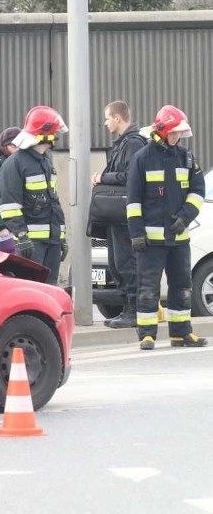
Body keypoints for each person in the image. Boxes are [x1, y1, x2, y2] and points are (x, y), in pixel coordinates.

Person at [127, 105, 207, 350]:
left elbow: (198, 191)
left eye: (180, 134)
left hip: (178, 237)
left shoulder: (186, 157)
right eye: (174, 133)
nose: (177, 137)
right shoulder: (142, 159)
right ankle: (147, 335)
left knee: (182, 286)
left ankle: (182, 333)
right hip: (151, 241)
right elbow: (133, 201)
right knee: (148, 287)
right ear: (162, 131)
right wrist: (137, 234)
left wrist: (185, 216)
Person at [91, 101, 147, 329]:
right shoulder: (123, 143)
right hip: (117, 215)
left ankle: (134, 312)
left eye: (107, 118)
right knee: (115, 264)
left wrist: (103, 178)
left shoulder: (133, 143)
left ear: (117, 118)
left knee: (125, 263)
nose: (105, 123)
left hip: (126, 214)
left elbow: (129, 177)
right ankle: (126, 309)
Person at [0, 106, 68, 285]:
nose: (56, 136)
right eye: (54, 131)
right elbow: (9, 206)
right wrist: (21, 236)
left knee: (50, 291)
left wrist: (61, 236)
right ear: (44, 133)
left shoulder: (45, 161)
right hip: (31, 244)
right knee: (30, 290)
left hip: (51, 241)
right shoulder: (15, 164)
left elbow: (54, 202)